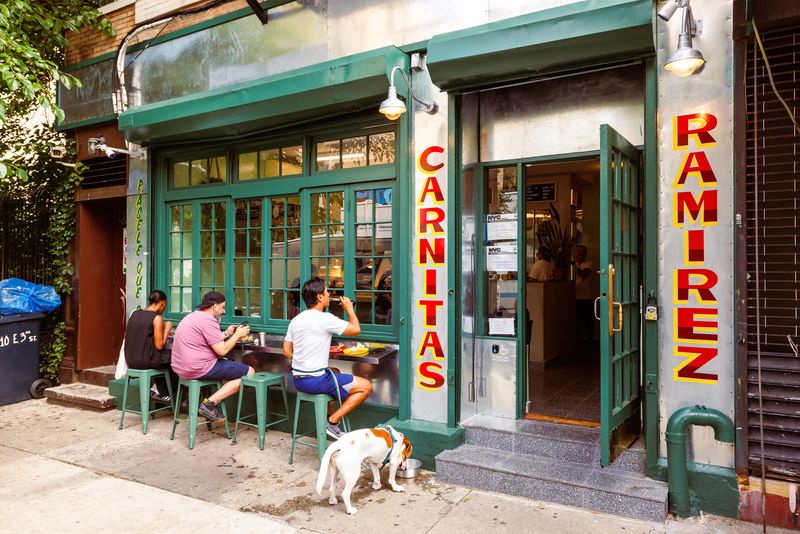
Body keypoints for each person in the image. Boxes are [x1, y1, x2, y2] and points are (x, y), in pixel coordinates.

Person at [283, 277, 372, 439]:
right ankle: (333, 422)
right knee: (366, 386)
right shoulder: (325, 318)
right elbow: (355, 329)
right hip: (316, 381)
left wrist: (302, 361)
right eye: (326, 291)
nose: (329, 294)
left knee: (334, 371)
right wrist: (349, 308)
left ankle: (328, 416)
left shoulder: (296, 320)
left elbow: (286, 350)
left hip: (298, 380)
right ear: (319, 297)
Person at [170, 291, 254, 421]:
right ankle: (209, 404)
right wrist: (237, 335)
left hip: (181, 369)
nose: (223, 311)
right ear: (215, 306)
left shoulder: (192, 317)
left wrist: (227, 333)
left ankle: (196, 400)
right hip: (199, 368)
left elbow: (209, 340)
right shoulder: (209, 320)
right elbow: (222, 350)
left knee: (229, 364)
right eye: (223, 307)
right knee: (250, 372)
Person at [124, 290, 176, 403]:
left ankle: (157, 387)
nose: (164, 309)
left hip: (131, 360)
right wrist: (167, 329)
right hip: (145, 361)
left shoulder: (135, 314)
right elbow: (159, 346)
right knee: (175, 358)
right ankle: (160, 391)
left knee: (166, 359)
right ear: (162, 303)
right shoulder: (156, 318)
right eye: (165, 306)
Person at [574, 245, 595, 343]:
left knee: (587, 321)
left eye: (582, 251)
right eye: (578, 251)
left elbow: (583, 274)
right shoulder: (572, 264)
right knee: (575, 322)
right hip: (574, 297)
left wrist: (576, 265)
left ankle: (589, 343)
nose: (580, 253)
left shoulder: (588, 264)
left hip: (586, 297)